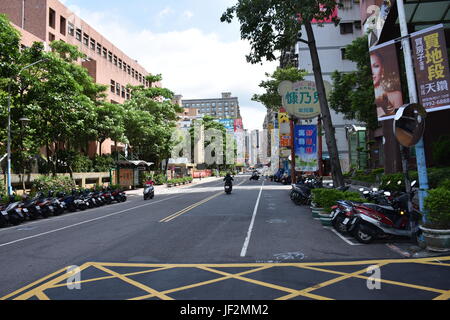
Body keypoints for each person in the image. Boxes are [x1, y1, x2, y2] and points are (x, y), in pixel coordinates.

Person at [370, 50, 403, 118]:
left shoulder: (396, 96)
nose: (372, 72)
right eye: (370, 68)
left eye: (376, 66)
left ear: (382, 70)